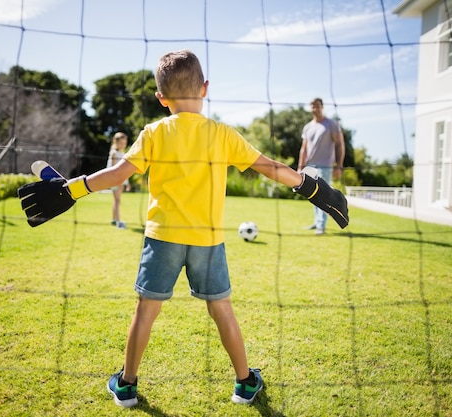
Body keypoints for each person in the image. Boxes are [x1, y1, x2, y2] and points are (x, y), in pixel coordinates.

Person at [38, 50, 347, 407]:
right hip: (208, 241)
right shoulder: (222, 133)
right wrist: (314, 188)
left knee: (145, 312)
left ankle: (126, 384)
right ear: (205, 88)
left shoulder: (153, 132)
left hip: (162, 238)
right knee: (222, 310)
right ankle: (245, 383)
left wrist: (72, 188)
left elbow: (118, 173)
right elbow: (269, 166)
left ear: (160, 97)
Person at [297, 98, 345, 235]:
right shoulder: (308, 127)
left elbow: (340, 144)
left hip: (326, 166)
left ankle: (321, 225)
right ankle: (317, 222)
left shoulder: (331, 124)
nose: (315, 108)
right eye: (312, 106)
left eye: (317, 106)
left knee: (323, 195)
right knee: (312, 195)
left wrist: (339, 166)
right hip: (310, 165)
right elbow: (303, 148)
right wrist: (300, 166)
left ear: (322, 107)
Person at [107, 132, 131, 229]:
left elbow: (125, 169)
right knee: (117, 200)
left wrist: (127, 182)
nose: (123, 145)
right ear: (116, 142)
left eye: (124, 143)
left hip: (122, 179)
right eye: (121, 142)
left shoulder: (123, 154)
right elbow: (113, 168)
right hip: (115, 180)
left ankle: (114, 219)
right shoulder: (114, 153)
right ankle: (118, 222)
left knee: (116, 200)